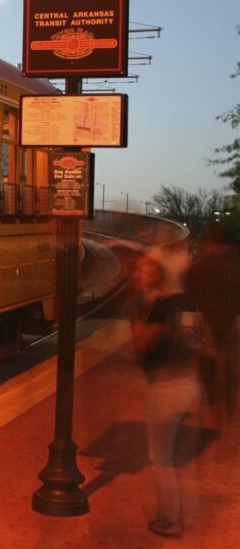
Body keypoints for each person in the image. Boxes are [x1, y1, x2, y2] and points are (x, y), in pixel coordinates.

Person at [125, 254, 200, 539]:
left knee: (161, 458)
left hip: (167, 388)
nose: (144, 273)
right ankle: (183, 513)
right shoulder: (171, 302)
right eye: (142, 267)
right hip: (182, 384)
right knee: (172, 455)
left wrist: (141, 321)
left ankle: (170, 521)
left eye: (150, 269)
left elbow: (143, 346)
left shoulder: (159, 307)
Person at [187, 224, 240, 423]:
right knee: (231, 363)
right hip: (229, 321)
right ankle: (229, 401)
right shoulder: (235, 264)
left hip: (207, 321)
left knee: (207, 358)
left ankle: (211, 397)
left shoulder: (200, 265)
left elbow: (189, 284)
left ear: (210, 242)